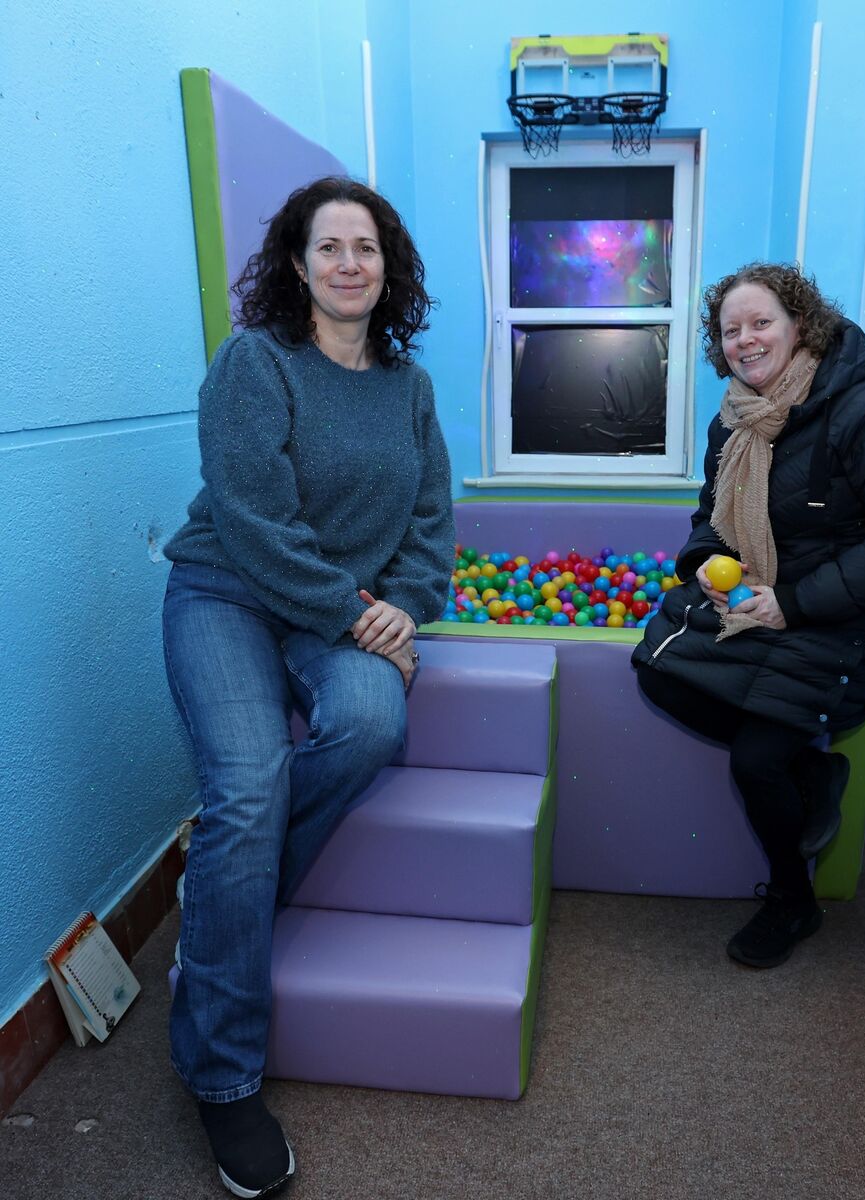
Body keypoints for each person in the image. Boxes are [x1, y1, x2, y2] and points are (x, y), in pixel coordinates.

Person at [162, 176, 454, 1196]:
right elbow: (253, 521)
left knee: (371, 721)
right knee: (246, 789)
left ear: (388, 266)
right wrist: (358, 616)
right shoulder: (254, 362)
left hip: (343, 608)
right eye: (327, 247)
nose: (347, 264)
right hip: (227, 593)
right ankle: (223, 1077)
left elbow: (430, 519)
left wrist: (404, 606)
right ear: (296, 263)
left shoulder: (408, 387)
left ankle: (221, 904)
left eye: (364, 247)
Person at [632, 262, 865, 970]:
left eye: (760, 323)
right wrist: (704, 565)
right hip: (761, 605)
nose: (744, 341)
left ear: (800, 324)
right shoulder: (734, 421)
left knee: (756, 760)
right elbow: (710, 521)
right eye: (730, 331)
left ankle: (791, 900)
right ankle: (813, 772)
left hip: (848, 627)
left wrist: (795, 603)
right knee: (655, 667)